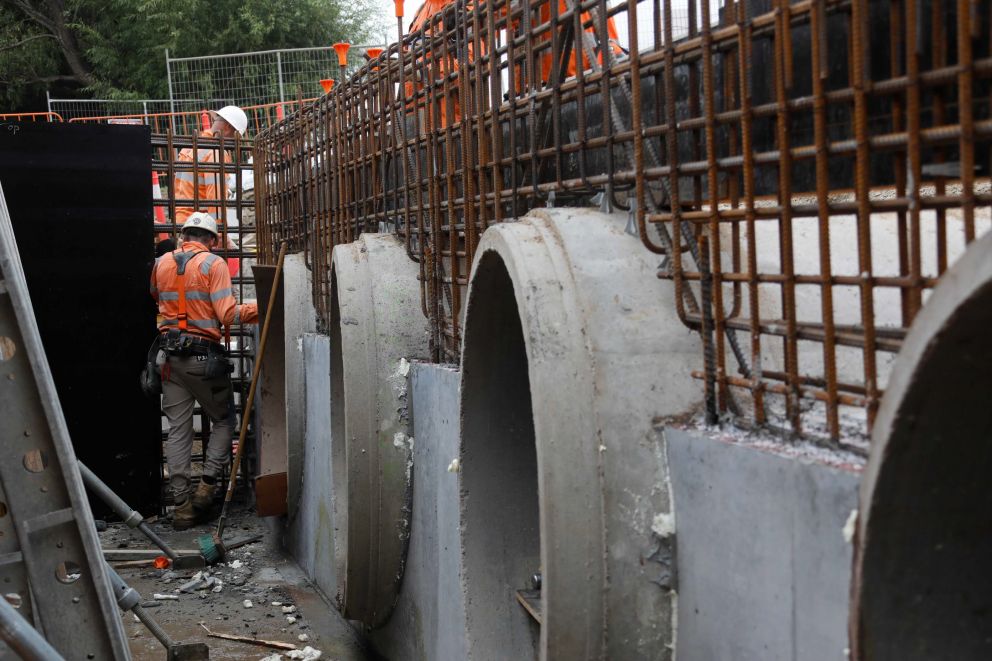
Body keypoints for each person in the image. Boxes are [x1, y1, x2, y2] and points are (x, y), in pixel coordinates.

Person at [150, 211, 258, 529]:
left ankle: (181, 506)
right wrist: (261, 306)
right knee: (224, 420)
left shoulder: (161, 264)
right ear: (210, 239)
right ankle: (207, 488)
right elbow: (226, 314)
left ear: (184, 235)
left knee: (179, 431)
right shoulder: (214, 264)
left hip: (169, 359)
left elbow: (156, 297)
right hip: (203, 359)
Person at [173, 105, 248, 225]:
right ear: (229, 127)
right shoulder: (216, 153)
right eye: (237, 136)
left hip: (182, 222)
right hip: (200, 227)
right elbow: (216, 199)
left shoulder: (189, 147)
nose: (236, 142)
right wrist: (218, 231)